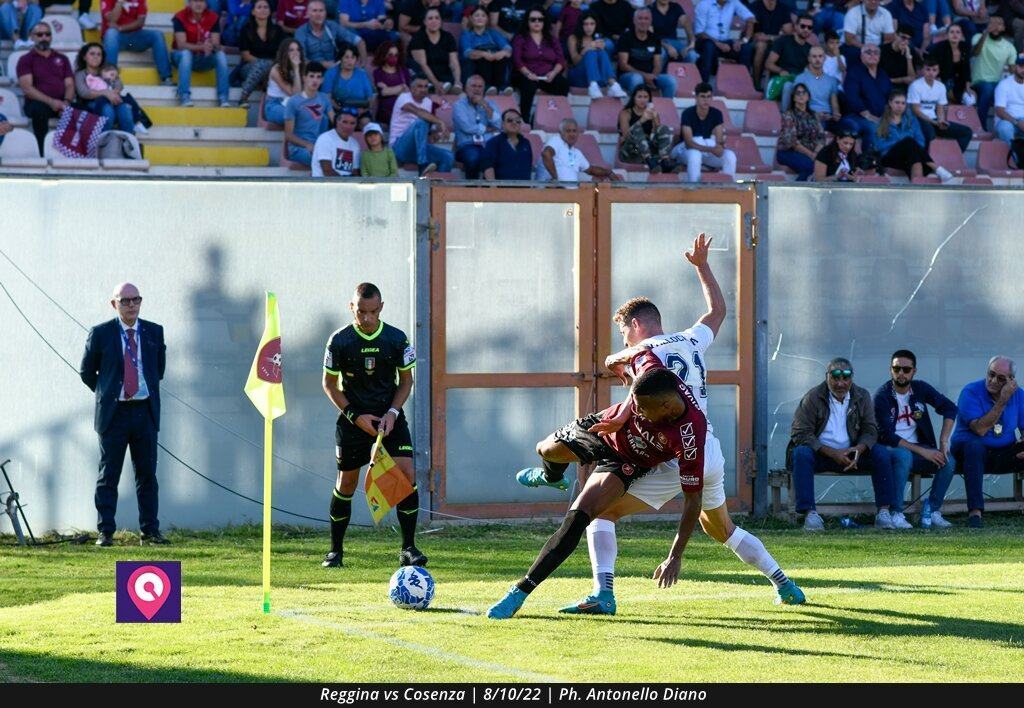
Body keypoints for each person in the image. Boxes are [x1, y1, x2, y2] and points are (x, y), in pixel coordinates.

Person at [551, 237, 805, 615]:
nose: (624, 339)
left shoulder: (644, 355)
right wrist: (702, 265)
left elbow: (616, 368)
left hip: (675, 450)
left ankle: (603, 593)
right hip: (709, 448)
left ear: (636, 326)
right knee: (721, 529)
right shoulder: (690, 338)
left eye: (624, 332)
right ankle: (784, 584)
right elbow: (718, 311)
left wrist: (618, 356)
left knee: (601, 511)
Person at [487, 358, 709, 620]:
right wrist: (623, 405)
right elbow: (636, 355)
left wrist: (675, 556)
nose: (637, 412)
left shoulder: (690, 435)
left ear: (666, 407)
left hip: (627, 462)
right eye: (634, 405)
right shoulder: (655, 375)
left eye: (642, 409)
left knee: (578, 518)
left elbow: (693, 502)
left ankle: (519, 591)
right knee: (544, 449)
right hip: (604, 428)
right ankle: (551, 476)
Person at [322, 283, 424, 568]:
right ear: (351, 306)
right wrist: (356, 417)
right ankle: (335, 551)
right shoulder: (339, 341)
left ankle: (408, 548)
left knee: (407, 474)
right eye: (361, 311)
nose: (366, 318)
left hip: (389, 418)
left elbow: (406, 381)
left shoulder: (397, 339)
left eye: (373, 312)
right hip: (354, 420)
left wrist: (393, 412)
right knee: (347, 483)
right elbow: (329, 385)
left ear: (381, 308)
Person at [79, 283, 167, 547]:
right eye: (125, 300)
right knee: (109, 475)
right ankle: (105, 531)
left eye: (136, 300)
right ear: (114, 304)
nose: (131, 305)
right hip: (113, 414)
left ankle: (150, 531)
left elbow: (158, 371)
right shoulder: (101, 333)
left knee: (147, 475)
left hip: (144, 412)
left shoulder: (154, 332)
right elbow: (87, 372)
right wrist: (107, 393)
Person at [788, 358, 896, 531]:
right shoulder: (813, 397)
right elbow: (800, 433)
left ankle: (884, 512)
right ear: (827, 377)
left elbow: (870, 430)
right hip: (821, 454)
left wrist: (859, 449)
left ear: (851, 378)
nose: (840, 383)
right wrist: (832, 453)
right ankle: (810, 514)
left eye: (845, 378)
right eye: (835, 378)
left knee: (881, 453)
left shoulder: (862, 396)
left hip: (852, 456)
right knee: (801, 453)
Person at [874, 349, 958, 530]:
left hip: (919, 449)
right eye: (897, 369)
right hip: (891, 449)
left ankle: (932, 510)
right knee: (904, 456)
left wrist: (944, 442)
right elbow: (886, 435)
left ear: (914, 371)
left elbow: (950, 408)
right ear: (890, 370)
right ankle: (896, 512)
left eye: (906, 369)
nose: (901, 373)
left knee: (948, 460)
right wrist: (924, 451)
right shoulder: (882, 396)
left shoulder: (920, 388)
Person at [950, 357, 1024, 529]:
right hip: (969, 451)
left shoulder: (1019, 395)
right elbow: (980, 429)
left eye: (1000, 378)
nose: (993, 381)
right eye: (991, 374)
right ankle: (975, 512)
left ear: (1011, 381)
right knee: (974, 446)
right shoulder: (970, 391)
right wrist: (1003, 400)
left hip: (1004, 450)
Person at [16, 23, 75, 153]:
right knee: (39, 111)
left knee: (83, 111)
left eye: (47, 34)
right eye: (40, 34)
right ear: (32, 37)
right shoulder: (25, 59)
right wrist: (51, 102)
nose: (44, 37)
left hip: (62, 102)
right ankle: (41, 151)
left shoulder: (62, 58)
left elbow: (70, 84)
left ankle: (77, 152)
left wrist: (66, 102)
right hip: (37, 103)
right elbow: (27, 88)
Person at [875, 88, 954, 179]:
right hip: (890, 157)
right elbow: (878, 146)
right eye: (897, 102)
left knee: (914, 157)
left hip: (909, 156)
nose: (900, 106)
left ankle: (918, 185)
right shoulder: (881, 122)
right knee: (908, 141)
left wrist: (907, 146)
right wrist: (901, 143)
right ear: (890, 103)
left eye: (903, 103)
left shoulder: (911, 120)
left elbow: (920, 141)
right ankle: (936, 168)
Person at [670, 82, 737, 183]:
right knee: (695, 152)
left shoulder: (717, 113)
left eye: (709, 97)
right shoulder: (687, 113)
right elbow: (689, 143)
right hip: (685, 150)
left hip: (705, 150)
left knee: (730, 156)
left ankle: (727, 188)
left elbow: (719, 140)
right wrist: (711, 149)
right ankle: (694, 189)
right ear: (696, 98)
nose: (706, 100)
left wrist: (719, 147)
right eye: (702, 97)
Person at [511, 8, 569, 121]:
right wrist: (528, 74)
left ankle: (554, 117)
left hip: (547, 76)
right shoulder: (520, 38)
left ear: (544, 21)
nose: (537, 22)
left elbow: (561, 60)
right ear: (527, 22)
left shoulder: (551, 39)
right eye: (533, 19)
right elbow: (517, 60)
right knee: (529, 85)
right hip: (525, 75)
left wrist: (553, 73)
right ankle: (525, 119)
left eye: (540, 19)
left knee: (563, 84)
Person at [389, 75, 454, 174]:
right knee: (421, 121)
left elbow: (424, 132)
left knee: (448, 156)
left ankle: (438, 187)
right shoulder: (404, 97)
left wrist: (434, 135)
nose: (423, 89)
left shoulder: (428, 102)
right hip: (398, 147)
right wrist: (440, 121)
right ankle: (422, 165)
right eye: (420, 86)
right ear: (412, 88)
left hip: (418, 148)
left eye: (426, 86)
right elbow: (418, 112)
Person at [172, 0, 230, 107]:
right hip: (181, 58)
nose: (199, 4)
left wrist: (212, 46)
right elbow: (181, 45)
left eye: (202, 1)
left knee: (220, 55)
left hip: (203, 58)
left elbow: (216, 43)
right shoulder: (179, 17)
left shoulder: (213, 17)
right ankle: (184, 95)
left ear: (206, 3)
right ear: (189, 3)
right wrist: (202, 47)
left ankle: (224, 97)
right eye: (195, 1)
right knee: (186, 54)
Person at [101, 0, 172, 87]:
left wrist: (120, 28)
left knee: (157, 35)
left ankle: (166, 78)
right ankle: (110, 78)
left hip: (133, 41)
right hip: (116, 41)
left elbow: (140, 21)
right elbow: (112, 20)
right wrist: (119, 2)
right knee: (111, 33)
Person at [909, 56, 973, 150]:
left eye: (934, 70)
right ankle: (927, 162)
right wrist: (934, 122)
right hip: (918, 120)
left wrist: (941, 120)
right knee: (929, 133)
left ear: (938, 71)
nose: (931, 73)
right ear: (923, 70)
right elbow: (916, 111)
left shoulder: (940, 87)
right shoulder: (915, 86)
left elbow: (940, 107)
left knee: (966, 132)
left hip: (934, 120)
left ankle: (951, 157)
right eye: (928, 69)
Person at [74, 43, 135, 134]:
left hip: (113, 100)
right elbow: (84, 93)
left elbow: (119, 84)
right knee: (107, 109)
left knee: (125, 108)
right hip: (91, 104)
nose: (96, 57)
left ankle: (128, 140)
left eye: (99, 54)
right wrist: (106, 93)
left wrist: (113, 93)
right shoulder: (80, 74)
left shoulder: (107, 70)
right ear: (84, 57)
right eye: (92, 54)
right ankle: (101, 142)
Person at [616, 7, 677, 98]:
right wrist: (644, 76)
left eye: (646, 18)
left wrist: (653, 77)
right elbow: (623, 65)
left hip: (649, 75)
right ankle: (634, 110)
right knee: (637, 79)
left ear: (650, 21)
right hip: (628, 76)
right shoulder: (625, 37)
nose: (643, 21)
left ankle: (665, 110)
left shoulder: (655, 38)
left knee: (671, 81)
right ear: (634, 20)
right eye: (640, 18)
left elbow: (657, 64)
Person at [236, 0, 286, 108]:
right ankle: (244, 96)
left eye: (266, 7)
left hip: (273, 68)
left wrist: (270, 65)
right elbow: (245, 55)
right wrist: (264, 63)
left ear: (270, 11)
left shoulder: (278, 30)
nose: (263, 9)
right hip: (248, 67)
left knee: (278, 70)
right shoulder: (246, 29)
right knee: (263, 64)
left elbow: (280, 53)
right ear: (253, 11)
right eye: (259, 7)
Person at [842, 43, 891, 151]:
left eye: (876, 53)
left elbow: (889, 97)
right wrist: (868, 115)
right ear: (861, 56)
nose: (872, 55)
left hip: (880, 117)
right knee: (873, 128)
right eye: (868, 52)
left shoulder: (883, 74)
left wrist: (888, 117)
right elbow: (852, 97)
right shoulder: (854, 73)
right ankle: (867, 163)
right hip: (856, 116)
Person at [537, 117, 620, 180]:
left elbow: (591, 170)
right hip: (550, 192)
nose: (572, 134)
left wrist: (608, 172)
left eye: (574, 131)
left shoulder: (576, 152)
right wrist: (556, 179)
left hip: (571, 196)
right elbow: (546, 154)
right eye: (568, 131)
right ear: (561, 133)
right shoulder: (557, 140)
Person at [567, 11, 627, 99]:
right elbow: (575, 62)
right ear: (581, 25)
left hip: (598, 78)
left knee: (601, 52)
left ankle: (613, 84)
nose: (589, 27)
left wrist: (601, 48)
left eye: (592, 24)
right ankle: (593, 85)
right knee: (591, 52)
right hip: (579, 76)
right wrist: (586, 49)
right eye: (586, 24)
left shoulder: (597, 38)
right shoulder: (573, 38)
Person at [284, 60, 333, 166]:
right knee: (321, 161)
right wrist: (307, 144)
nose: (315, 80)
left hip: (318, 146)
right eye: (311, 76)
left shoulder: (324, 98)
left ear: (322, 80)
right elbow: (288, 135)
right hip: (299, 149)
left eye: (318, 77)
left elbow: (336, 121)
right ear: (304, 78)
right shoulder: (293, 101)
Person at [971, 15, 1017, 127]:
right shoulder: (978, 37)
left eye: (999, 24)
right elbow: (975, 53)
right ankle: (981, 125)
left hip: (997, 84)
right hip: (978, 83)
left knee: (1003, 89)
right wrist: (985, 33)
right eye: (992, 23)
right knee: (988, 88)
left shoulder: (1009, 47)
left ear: (1004, 28)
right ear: (987, 26)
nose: (995, 27)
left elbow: (1013, 70)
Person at [452, 74, 501, 178]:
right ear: (466, 88)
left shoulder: (490, 104)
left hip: (488, 144)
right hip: (467, 145)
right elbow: (467, 127)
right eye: (473, 86)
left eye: (480, 86)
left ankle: (489, 190)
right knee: (473, 157)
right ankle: (472, 189)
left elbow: (499, 124)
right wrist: (489, 129)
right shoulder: (459, 105)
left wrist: (485, 105)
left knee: (499, 157)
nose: (477, 89)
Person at [693, 0, 755, 82]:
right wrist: (718, 43)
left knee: (745, 48)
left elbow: (751, 19)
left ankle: (743, 84)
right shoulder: (704, 4)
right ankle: (704, 85)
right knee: (709, 47)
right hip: (706, 41)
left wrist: (744, 40)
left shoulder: (733, 2)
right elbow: (699, 32)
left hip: (725, 42)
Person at [617, 84, 674, 172]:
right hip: (633, 150)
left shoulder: (651, 112)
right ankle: (649, 161)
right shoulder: (626, 113)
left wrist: (655, 119)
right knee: (636, 129)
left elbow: (657, 134)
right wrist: (641, 120)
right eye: (639, 97)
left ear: (649, 99)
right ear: (634, 98)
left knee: (664, 128)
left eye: (645, 97)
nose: (642, 100)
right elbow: (626, 136)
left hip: (648, 148)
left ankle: (665, 161)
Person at [776, 82, 827, 179]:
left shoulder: (814, 115)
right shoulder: (788, 115)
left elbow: (822, 138)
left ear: (808, 97)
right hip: (788, 152)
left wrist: (816, 153)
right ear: (793, 98)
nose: (801, 95)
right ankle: (795, 191)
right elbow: (792, 142)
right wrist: (811, 154)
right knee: (810, 167)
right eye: (798, 93)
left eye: (804, 93)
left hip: (812, 152)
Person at [296, 0, 366, 69]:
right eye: (314, 11)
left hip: (335, 67)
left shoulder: (332, 26)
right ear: (307, 13)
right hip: (312, 71)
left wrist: (363, 63)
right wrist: (323, 64)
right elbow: (301, 60)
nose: (318, 14)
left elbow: (359, 41)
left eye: (321, 10)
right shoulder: (301, 32)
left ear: (325, 13)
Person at [787, 45, 842, 132]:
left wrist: (835, 115)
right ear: (809, 58)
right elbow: (797, 105)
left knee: (848, 128)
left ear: (824, 58)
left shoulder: (832, 80)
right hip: (808, 117)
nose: (817, 59)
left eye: (820, 56)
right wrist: (814, 115)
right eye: (814, 56)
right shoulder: (800, 79)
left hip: (828, 117)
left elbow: (835, 105)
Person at [460, 5, 512, 94]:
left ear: (487, 19)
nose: (480, 18)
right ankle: (486, 86)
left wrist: (501, 53)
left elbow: (508, 49)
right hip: (477, 68)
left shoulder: (493, 33)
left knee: (502, 58)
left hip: (495, 66)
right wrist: (483, 54)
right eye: (477, 15)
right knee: (482, 58)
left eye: (483, 15)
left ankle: (502, 87)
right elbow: (467, 53)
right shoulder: (467, 34)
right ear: (471, 19)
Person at [409, 7, 462, 92]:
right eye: (430, 18)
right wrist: (436, 83)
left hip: (443, 73)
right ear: (424, 22)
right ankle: (432, 87)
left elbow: (454, 62)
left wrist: (457, 82)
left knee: (452, 83)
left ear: (441, 21)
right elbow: (423, 65)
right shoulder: (418, 38)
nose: (434, 21)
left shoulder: (448, 37)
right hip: (424, 74)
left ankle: (447, 86)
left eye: (437, 18)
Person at [750, 0, 795, 86]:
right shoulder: (755, 6)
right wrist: (775, 37)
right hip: (755, 42)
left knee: (785, 45)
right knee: (761, 45)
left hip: (776, 41)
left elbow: (788, 33)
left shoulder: (783, 8)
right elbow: (752, 33)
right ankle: (756, 84)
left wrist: (770, 37)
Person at [926, 22, 973, 104]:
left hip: (959, 82)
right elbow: (932, 67)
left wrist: (967, 86)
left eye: (958, 32)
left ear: (961, 35)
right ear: (947, 35)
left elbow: (967, 68)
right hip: (942, 80)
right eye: (952, 32)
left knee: (971, 99)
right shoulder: (939, 48)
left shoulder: (965, 47)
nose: (955, 34)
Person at [323, 43, 375, 116]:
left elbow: (370, 98)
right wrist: (342, 109)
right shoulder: (330, 73)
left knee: (365, 122)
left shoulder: (362, 74)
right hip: (338, 111)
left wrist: (363, 110)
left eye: (353, 57)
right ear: (341, 58)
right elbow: (327, 97)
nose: (350, 61)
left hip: (361, 111)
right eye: (346, 57)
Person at [482, 107, 534, 178]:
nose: (514, 123)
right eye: (510, 120)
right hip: (500, 187)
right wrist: (493, 188)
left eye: (518, 121)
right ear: (503, 124)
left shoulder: (526, 143)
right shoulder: (493, 143)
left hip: (523, 187)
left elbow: (528, 167)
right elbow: (488, 166)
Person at [265, 39, 306, 125]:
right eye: (291, 50)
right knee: (296, 116)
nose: (295, 52)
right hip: (275, 105)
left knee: (320, 117)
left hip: (292, 105)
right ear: (285, 53)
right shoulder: (277, 69)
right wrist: (296, 69)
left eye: (298, 49)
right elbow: (294, 94)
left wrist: (297, 70)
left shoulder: (301, 68)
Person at [372, 41, 413, 125]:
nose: (393, 57)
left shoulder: (404, 71)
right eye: (390, 55)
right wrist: (402, 86)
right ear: (383, 55)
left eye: (396, 55)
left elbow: (408, 91)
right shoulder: (378, 72)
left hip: (403, 110)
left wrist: (390, 89)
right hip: (385, 113)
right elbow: (383, 92)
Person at [311, 107, 361, 175]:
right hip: (325, 184)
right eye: (345, 122)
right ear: (337, 121)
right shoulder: (325, 139)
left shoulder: (355, 144)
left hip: (346, 184)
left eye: (352, 123)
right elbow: (327, 171)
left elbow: (355, 172)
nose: (348, 126)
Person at [765, 13, 814, 81]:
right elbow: (768, 64)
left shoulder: (810, 49)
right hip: (779, 81)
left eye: (809, 27)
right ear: (796, 26)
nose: (806, 29)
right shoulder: (782, 41)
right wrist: (781, 71)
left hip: (798, 83)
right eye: (803, 26)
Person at [651, 0, 698, 65]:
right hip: (658, 43)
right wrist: (667, 46)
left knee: (692, 55)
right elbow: (650, 36)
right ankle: (658, 75)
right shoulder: (650, 9)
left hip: (674, 42)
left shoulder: (675, 7)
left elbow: (685, 22)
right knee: (661, 54)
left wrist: (692, 42)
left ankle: (687, 75)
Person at [993, 56, 1024, 146]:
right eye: (1021, 66)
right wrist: (1017, 123)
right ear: (1015, 67)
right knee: (1005, 128)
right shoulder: (1004, 85)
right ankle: (1015, 155)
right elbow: (999, 111)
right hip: (1007, 121)